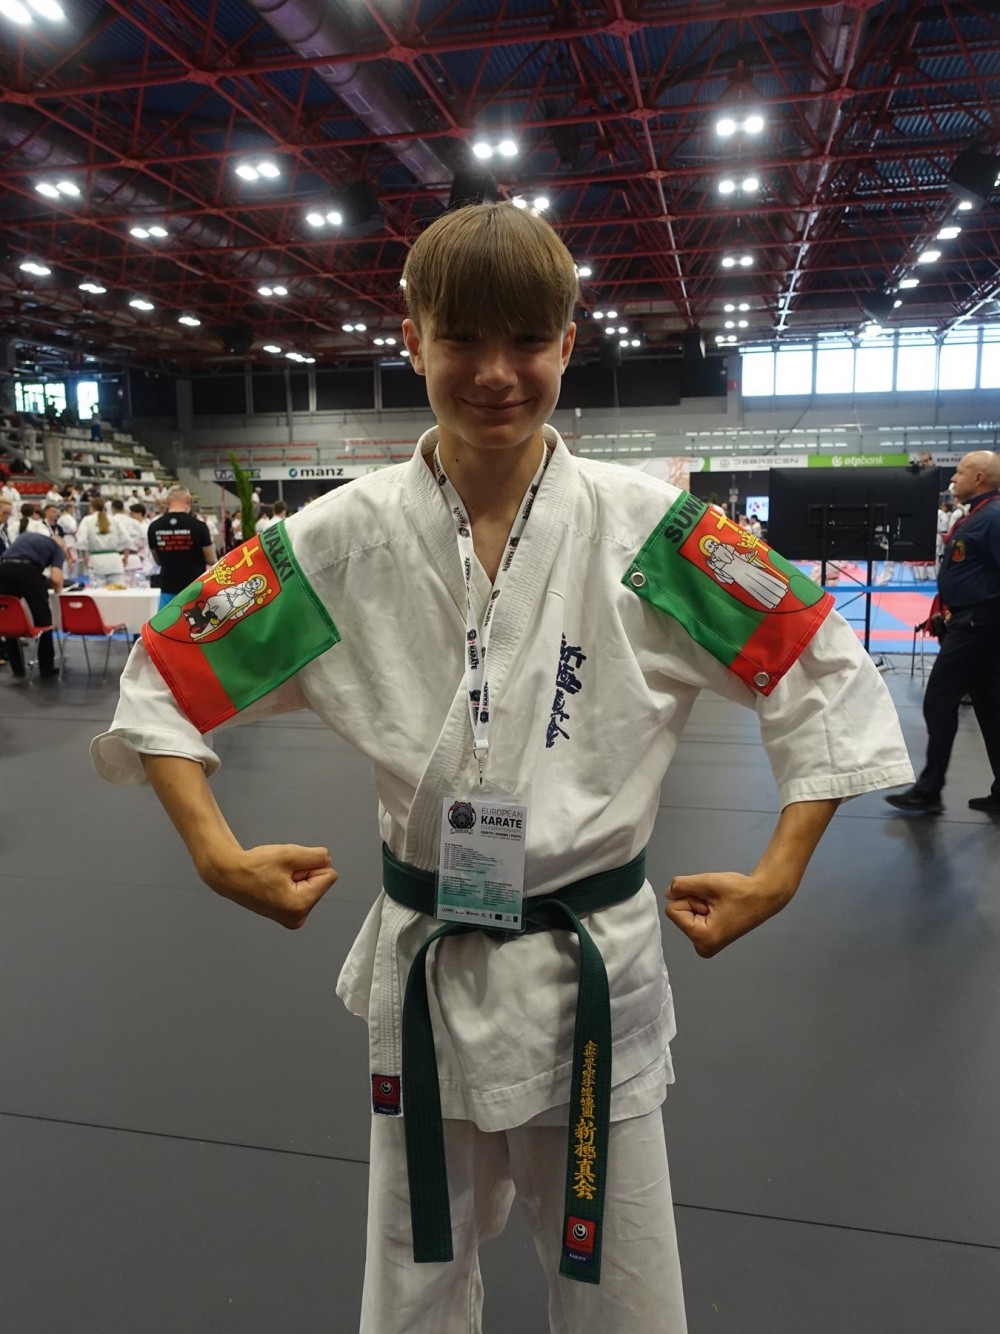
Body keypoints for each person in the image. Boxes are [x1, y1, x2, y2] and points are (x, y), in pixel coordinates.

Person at [91, 203, 912, 1334]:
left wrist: (781, 869)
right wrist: (211, 849)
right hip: (427, 970)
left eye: (526, 340)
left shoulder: (653, 535)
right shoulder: (337, 541)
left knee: (623, 1294)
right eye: (462, 338)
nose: (494, 372)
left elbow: (818, 660)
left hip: (592, 973)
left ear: (567, 343)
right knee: (412, 1284)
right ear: (412, 338)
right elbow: (170, 667)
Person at [886, 449, 1000, 814]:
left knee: (939, 698)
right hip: (970, 619)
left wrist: (980, 614)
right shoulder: (977, 515)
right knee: (990, 706)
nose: (953, 479)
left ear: (979, 478)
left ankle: (929, 788)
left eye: (960, 472)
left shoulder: (993, 517)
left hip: (978, 623)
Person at [0, 527, 64, 678]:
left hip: (3, 568)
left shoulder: (26, 536)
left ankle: (17, 669)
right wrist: (59, 588)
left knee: (9, 618)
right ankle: (46, 668)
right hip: (28, 570)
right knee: (43, 619)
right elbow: (56, 579)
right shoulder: (57, 549)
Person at [146, 486, 216, 610]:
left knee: (167, 621)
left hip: (168, 586)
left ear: (167, 500)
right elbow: (211, 559)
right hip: (194, 588)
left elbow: (157, 560)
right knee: (195, 620)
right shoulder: (199, 526)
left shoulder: (154, 526)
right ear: (188, 499)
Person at [76, 497, 130, 586]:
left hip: (96, 562)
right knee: (118, 591)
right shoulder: (113, 519)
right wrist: (126, 557)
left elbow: (81, 541)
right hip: (114, 560)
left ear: (91, 507)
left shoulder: (87, 520)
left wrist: (85, 558)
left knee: (98, 592)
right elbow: (127, 539)